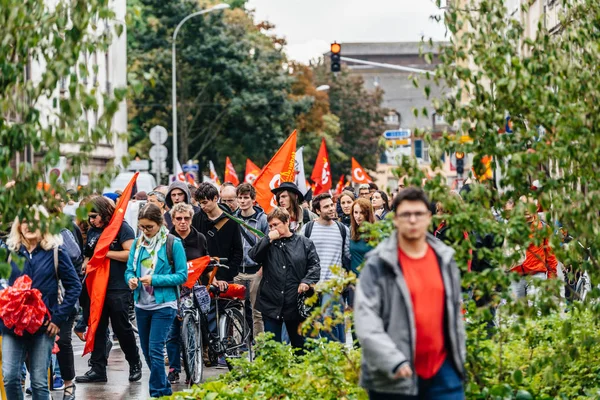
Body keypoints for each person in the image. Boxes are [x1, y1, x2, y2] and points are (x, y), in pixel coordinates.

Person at [355, 187, 466, 399]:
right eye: (406, 215)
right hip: (394, 376)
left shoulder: (445, 259)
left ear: (429, 218)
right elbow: (366, 320)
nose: (413, 220)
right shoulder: (378, 263)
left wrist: (457, 358)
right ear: (395, 219)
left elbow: (453, 311)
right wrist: (393, 361)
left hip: (443, 372)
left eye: (419, 214)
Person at [2, 206, 82, 400]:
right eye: (25, 221)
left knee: (39, 382)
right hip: (13, 326)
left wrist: (57, 318)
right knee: (10, 377)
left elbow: (74, 287)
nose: (29, 225)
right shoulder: (8, 252)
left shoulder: (56, 252)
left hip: (44, 326)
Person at [76, 196, 143, 384]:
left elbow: (130, 254)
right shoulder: (93, 231)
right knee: (97, 327)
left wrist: (105, 254)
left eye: (94, 216)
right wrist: (86, 263)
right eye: (89, 217)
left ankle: (134, 362)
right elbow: (89, 255)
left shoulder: (121, 227)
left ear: (104, 213)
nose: (91, 221)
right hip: (96, 285)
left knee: (121, 327)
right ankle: (97, 369)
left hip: (117, 286)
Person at [125, 203, 188, 398]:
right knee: (146, 351)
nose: (145, 231)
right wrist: (131, 280)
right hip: (141, 304)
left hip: (164, 304)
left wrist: (155, 280)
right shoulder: (137, 244)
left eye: (149, 227)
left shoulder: (173, 243)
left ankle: (158, 393)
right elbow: (129, 270)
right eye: (142, 227)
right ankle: (164, 389)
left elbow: (182, 275)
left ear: (160, 223)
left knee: (155, 349)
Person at [249, 207, 320, 350]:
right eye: (270, 226)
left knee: (300, 346)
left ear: (287, 222)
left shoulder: (304, 243)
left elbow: (315, 266)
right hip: (271, 301)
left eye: (276, 225)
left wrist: (306, 281)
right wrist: (268, 238)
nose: (273, 228)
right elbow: (253, 256)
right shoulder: (268, 243)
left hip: (295, 302)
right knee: (273, 347)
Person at [191, 182, 243, 362]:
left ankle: (223, 349)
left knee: (221, 312)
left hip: (223, 272)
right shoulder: (197, 218)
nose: (203, 206)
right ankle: (205, 350)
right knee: (201, 312)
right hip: (201, 272)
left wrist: (227, 277)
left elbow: (238, 252)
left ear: (215, 199)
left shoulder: (231, 221)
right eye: (199, 203)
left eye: (205, 202)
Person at [166, 202, 208, 384]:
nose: (183, 222)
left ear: (192, 219)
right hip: (172, 290)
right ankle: (174, 368)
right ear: (173, 220)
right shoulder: (166, 239)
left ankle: (193, 367)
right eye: (178, 218)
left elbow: (206, 263)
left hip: (193, 290)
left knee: (193, 329)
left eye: (187, 218)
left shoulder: (200, 238)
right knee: (172, 332)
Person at [300, 193, 350, 343]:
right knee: (312, 329)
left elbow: (348, 254)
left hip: (333, 286)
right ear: (317, 210)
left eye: (332, 205)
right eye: (326, 206)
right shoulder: (307, 229)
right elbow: (300, 255)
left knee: (329, 324)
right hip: (313, 287)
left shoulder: (342, 230)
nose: (331, 209)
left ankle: (333, 360)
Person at [234, 183, 270, 339]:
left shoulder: (262, 220)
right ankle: (238, 346)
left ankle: (260, 346)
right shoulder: (233, 218)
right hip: (238, 271)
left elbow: (268, 244)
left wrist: (263, 268)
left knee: (257, 312)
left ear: (253, 199)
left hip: (256, 270)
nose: (242, 201)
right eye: (240, 198)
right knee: (236, 310)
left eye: (246, 198)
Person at [509, 196, 558, 299]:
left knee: (536, 311)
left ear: (536, 208)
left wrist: (551, 279)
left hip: (536, 275)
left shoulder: (544, 229)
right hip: (516, 276)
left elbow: (551, 256)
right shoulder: (511, 229)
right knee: (516, 313)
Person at [350, 198, 375, 276]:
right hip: (354, 280)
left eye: (362, 213)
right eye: (355, 212)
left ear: (368, 214)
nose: (358, 216)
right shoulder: (350, 231)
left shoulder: (376, 233)